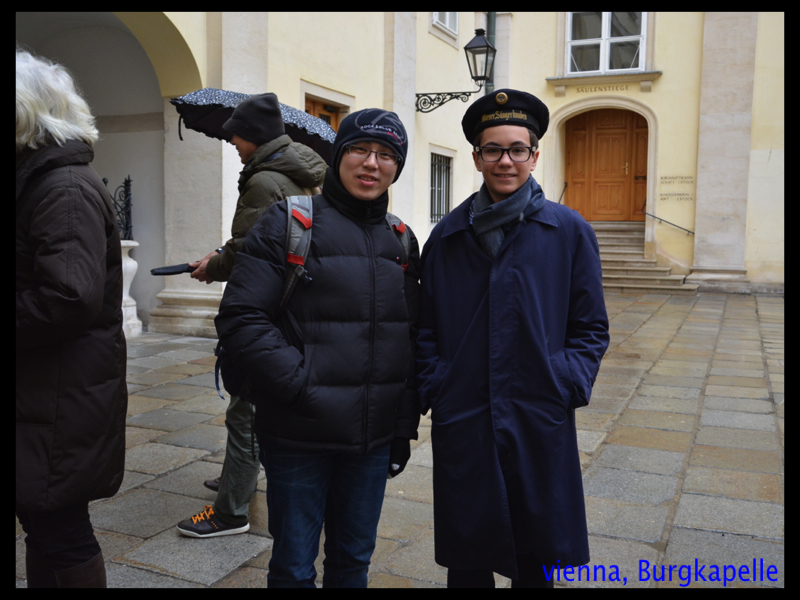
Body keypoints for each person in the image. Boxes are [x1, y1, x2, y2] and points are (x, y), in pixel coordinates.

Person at [215, 108, 420, 587]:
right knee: (292, 565)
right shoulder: (288, 223)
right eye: (359, 150)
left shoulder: (402, 240)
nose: (372, 163)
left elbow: (410, 338)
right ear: (338, 156)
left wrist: (401, 426)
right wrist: (302, 385)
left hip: (370, 440)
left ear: (397, 167)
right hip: (299, 434)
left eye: (387, 155)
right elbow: (241, 318)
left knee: (353, 562)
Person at [416, 89, 610, 588]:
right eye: (493, 150)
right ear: (477, 157)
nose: (506, 161)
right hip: (466, 412)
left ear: (535, 154)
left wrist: (565, 380)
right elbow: (426, 325)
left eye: (517, 149)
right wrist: (438, 382)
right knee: (468, 556)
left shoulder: (567, 231)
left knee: (539, 552)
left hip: (538, 410)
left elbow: (590, 327)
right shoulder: (449, 235)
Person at [176, 93, 327, 538]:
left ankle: (230, 512)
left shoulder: (264, 181)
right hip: (288, 302)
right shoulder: (295, 172)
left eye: (236, 136)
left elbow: (250, 252)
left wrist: (215, 265)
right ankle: (234, 480)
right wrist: (226, 252)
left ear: (255, 136)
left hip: (264, 307)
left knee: (245, 407)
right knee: (253, 403)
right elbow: (270, 239)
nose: (234, 144)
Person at [16, 48, 128, 588]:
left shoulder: (61, 187)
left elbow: (67, 296)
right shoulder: (39, 178)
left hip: (60, 396)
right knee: (44, 524)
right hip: (46, 392)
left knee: (59, 528)